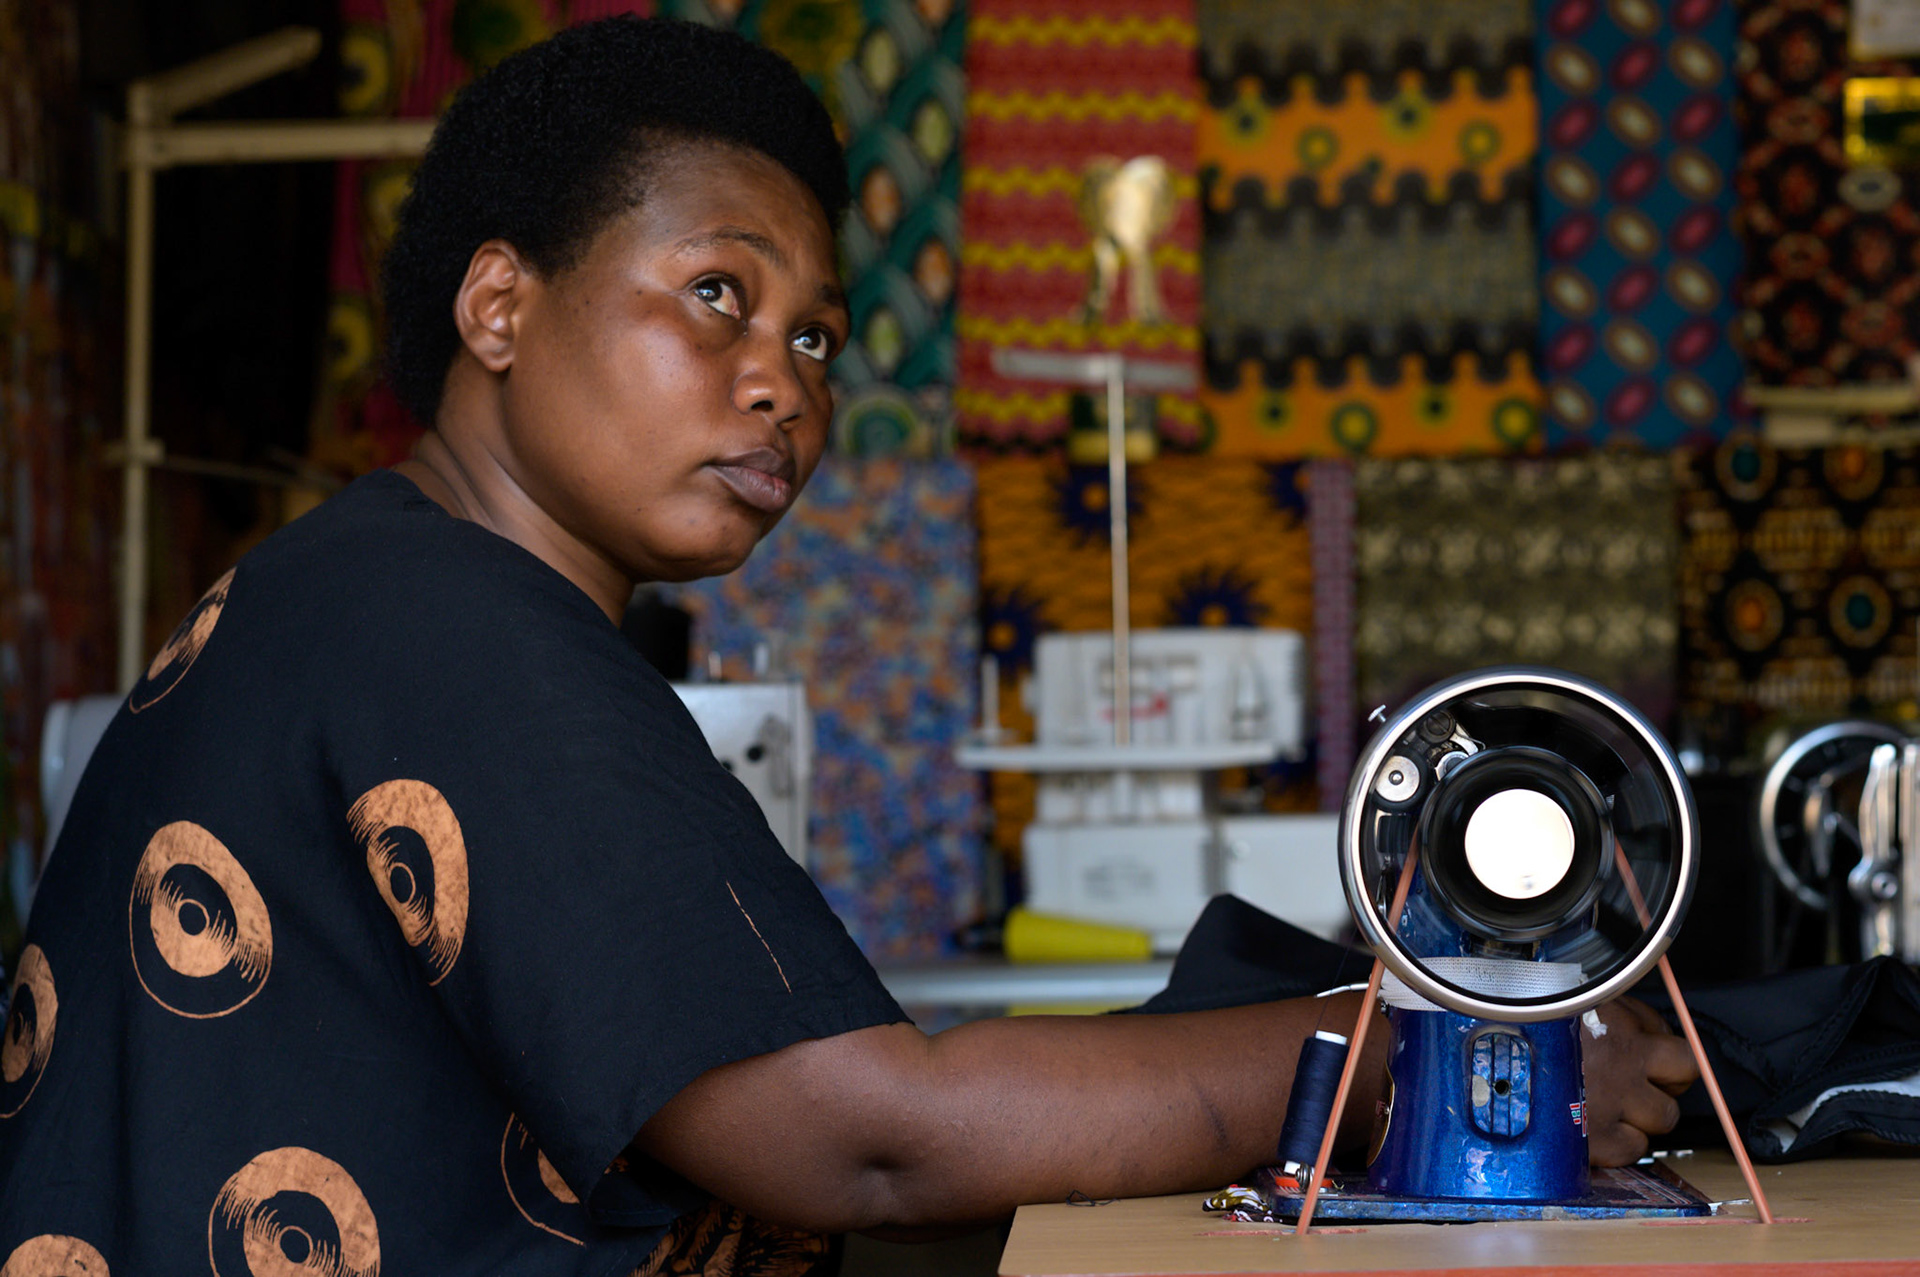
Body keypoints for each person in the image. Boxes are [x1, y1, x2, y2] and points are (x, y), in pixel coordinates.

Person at [0, 17, 1696, 1274]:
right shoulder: (451, 624)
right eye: (719, 295)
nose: (786, 384)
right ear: (499, 308)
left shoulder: (368, 586)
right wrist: (1432, 1045)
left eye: (816, 334)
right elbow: (866, 1138)